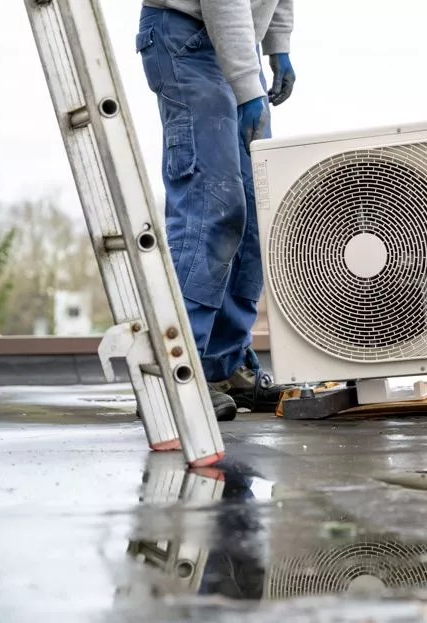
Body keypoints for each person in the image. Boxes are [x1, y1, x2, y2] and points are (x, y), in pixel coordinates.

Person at [135, 0, 296, 421]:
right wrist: (247, 82)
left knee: (255, 211)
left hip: (238, 40)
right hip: (186, 35)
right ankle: (177, 371)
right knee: (212, 203)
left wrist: (278, 43)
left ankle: (223, 366)